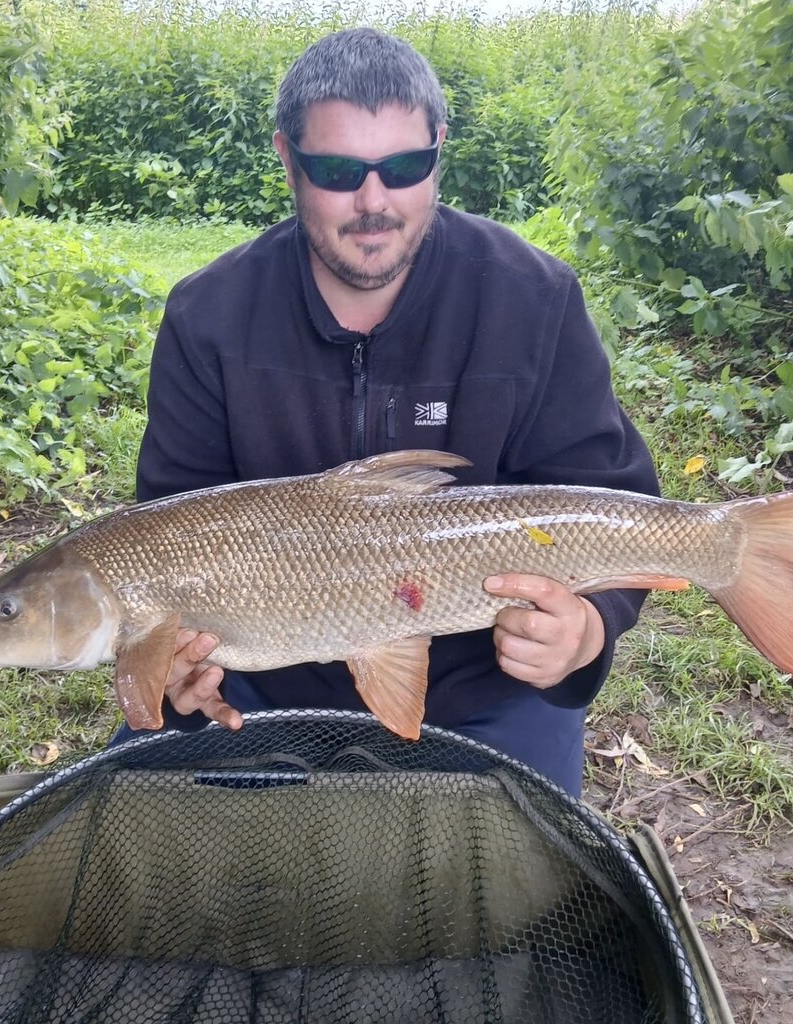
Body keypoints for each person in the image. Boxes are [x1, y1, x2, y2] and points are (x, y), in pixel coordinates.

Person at [111, 27, 660, 798]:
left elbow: (610, 498)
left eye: (403, 168)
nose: (374, 203)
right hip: (263, 679)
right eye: (338, 171)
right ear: (287, 160)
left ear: (439, 149)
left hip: (485, 683)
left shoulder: (532, 297)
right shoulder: (210, 315)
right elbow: (164, 532)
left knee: (519, 868)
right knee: (148, 821)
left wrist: (587, 629)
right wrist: (178, 664)